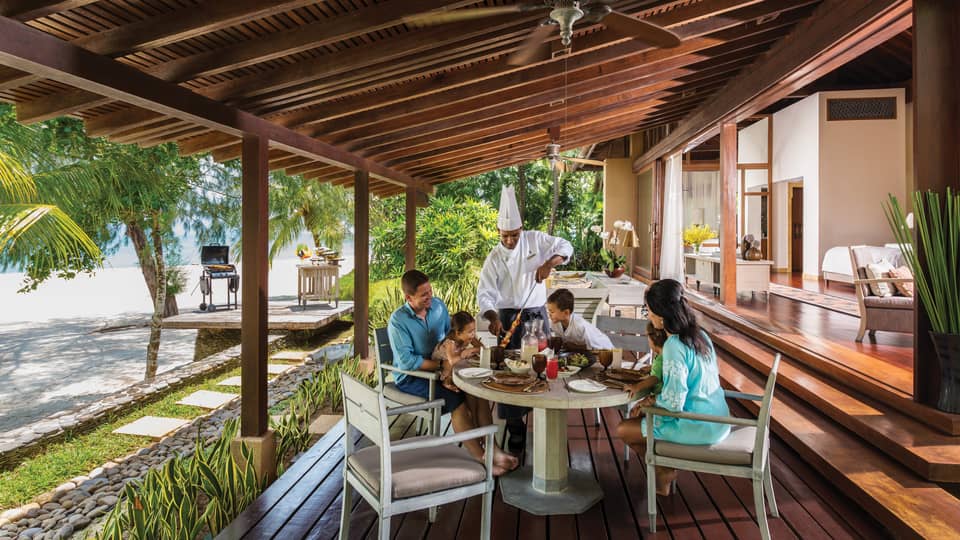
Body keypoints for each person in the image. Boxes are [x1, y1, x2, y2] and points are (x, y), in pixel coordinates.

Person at [388, 270, 518, 475]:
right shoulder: (398, 321)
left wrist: (470, 345)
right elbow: (407, 361)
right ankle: (481, 457)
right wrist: (442, 367)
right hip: (413, 377)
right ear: (409, 297)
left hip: (444, 367)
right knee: (457, 402)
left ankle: (493, 449)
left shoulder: (438, 306)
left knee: (477, 393)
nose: (430, 297)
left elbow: (453, 335)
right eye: (424, 295)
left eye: (430, 291)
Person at [477, 185, 573, 450]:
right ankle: (516, 425)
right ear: (499, 233)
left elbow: (566, 246)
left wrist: (548, 264)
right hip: (507, 318)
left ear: (521, 230)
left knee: (540, 366)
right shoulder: (495, 257)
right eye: (506, 236)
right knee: (509, 372)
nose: (511, 241)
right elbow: (484, 293)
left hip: (537, 315)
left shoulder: (534, 240)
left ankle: (542, 418)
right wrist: (492, 316)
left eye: (514, 235)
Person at [616, 279, 730, 495]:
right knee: (640, 419)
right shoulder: (700, 335)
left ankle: (664, 470)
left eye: (648, 311)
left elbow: (674, 403)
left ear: (660, 316)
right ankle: (664, 469)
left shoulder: (674, 346)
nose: (648, 316)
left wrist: (648, 403)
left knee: (624, 429)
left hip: (698, 424)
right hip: (718, 418)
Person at [545, 288, 614, 350]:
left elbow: (593, 347)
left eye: (552, 312)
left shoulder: (580, 326)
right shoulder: (555, 323)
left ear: (566, 313)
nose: (549, 314)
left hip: (605, 350)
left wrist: (575, 347)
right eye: (549, 311)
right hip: (581, 352)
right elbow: (562, 340)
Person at [434, 311, 482, 392]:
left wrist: (472, 350)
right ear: (458, 333)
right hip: (441, 367)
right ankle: (447, 382)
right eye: (470, 332)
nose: (473, 334)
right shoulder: (450, 343)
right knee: (449, 362)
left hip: (454, 364)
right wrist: (462, 355)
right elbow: (452, 361)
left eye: (474, 330)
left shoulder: (470, 337)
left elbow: (482, 348)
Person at [622, 321, 666, 404]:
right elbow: (661, 370)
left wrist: (636, 387)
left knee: (636, 410)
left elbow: (655, 378)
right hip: (659, 398)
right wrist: (651, 368)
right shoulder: (664, 356)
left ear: (653, 339)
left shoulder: (660, 358)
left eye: (648, 338)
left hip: (658, 400)